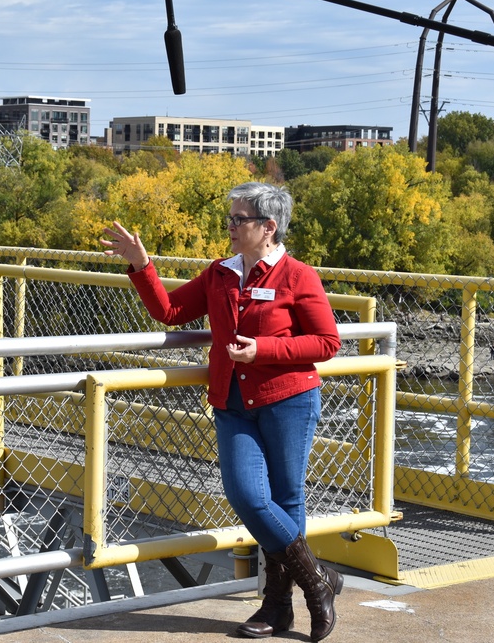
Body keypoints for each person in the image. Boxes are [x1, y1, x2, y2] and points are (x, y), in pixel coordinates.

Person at [101, 182, 343, 641]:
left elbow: (327, 343)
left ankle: (277, 607)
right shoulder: (219, 274)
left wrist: (264, 349)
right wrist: (141, 265)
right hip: (232, 404)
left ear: (268, 228)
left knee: (288, 500)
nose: (230, 227)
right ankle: (318, 581)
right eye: (229, 219)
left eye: (239, 219)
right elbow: (170, 312)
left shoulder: (297, 275)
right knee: (248, 496)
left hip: (289, 400)